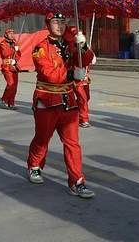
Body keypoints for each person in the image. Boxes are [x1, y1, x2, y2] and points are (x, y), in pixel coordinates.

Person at [27, 12, 95, 199]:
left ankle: (77, 181)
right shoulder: (41, 48)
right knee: (42, 139)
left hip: (69, 102)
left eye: (63, 22)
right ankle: (34, 166)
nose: (60, 25)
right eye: (56, 22)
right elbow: (49, 74)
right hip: (47, 100)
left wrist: (83, 46)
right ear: (48, 25)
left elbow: (86, 60)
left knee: (73, 144)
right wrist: (72, 75)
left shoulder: (70, 45)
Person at [0, 28, 21, 109]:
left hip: (14, 66)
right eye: (10, 33)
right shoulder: (2, 44)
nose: (12, 35)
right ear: (6, 35)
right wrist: (13, 49)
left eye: (12, 33)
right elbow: (5, 54)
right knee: (11, 83)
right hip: (6, 66)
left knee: (15, 85)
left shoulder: (14, 43)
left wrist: (17, 51)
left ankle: (11, 103)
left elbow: (18, 55)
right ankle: (5, 99)